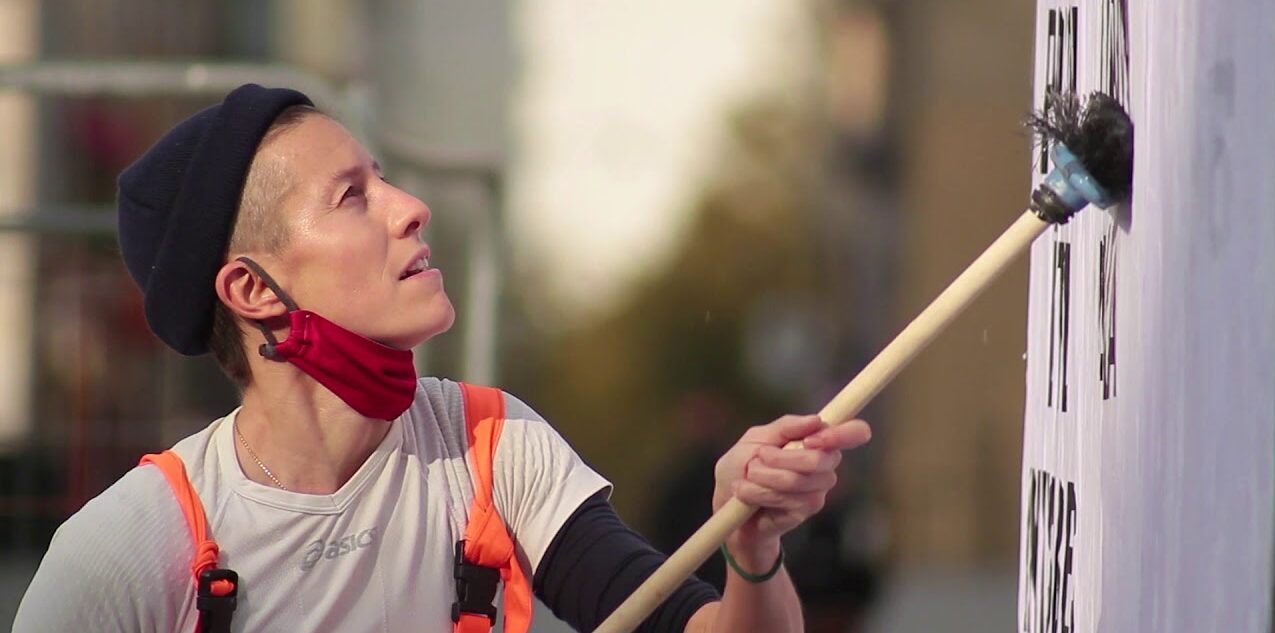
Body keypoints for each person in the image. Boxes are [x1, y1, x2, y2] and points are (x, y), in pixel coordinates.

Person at [12, 84, 872, 632]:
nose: (411, 207)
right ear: (253, 289)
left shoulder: (495, 449)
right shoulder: (122, 553)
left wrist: (748, 543)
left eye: (383, 176)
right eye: (353, 196)